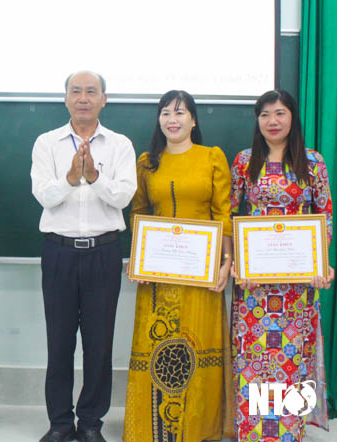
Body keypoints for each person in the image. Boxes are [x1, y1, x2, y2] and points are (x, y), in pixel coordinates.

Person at [31, 71, 136, 442]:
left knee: (99, 342)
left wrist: (93, 177)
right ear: (65, 98)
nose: (84, 98)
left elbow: (123, 198)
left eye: (92, 91)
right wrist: (70, 178)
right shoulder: (47, 143)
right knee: (59, 342)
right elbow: (45, 195)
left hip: (103, 253)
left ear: (104, 99)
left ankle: (90, 423)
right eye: (76, 91)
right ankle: (60, 423)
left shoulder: (120, 145)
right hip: (58, 252)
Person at [123, 90, 234, 442]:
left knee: (199, 345)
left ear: (193, 119)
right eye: (166, 112)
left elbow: (224, 214)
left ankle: (199, 428)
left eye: (180, 112)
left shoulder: (212, 158)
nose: (173, 119)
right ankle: (155, 429)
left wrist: (225, 264)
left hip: (202, 275)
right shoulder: (146, 162)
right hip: (158, 276)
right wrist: (137, 260)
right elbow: (138, 212)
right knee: (160, 345)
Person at [230, 89, 334, 442]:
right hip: (254, 285)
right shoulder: (245, 161)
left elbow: (326, 217)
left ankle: (289, 433)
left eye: (280, 113)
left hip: (298, 287)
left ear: (292, 118)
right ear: (257, 121)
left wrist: (324, 264)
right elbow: (232, 216)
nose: (272, 121)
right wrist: (235, 264)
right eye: (265, 115)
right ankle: (255, 432)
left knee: (292, 361)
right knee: (255, 361)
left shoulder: (313, 161)